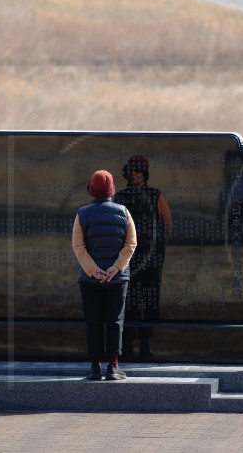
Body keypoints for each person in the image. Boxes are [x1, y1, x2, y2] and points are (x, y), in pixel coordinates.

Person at [72, 170, 137, 380]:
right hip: (117, 279)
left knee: (94, 322)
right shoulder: (124, 212)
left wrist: (93, 270)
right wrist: (115, 268)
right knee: (115, 321)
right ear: (112, 190)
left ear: (92, 190)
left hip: (89, 280)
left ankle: (95, 368)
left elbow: (78, 246)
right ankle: (113, 367)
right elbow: (131, 244)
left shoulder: (82, 213)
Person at [114, 155, 172, 358]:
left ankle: (146, 344)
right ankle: (127, 344)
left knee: (149, 299)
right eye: (132, 170)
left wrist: (158, 248)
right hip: (127, 256)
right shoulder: (120, 197)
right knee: (128, 300)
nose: (135, 174)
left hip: (152, 256)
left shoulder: (156, 195)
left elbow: (166, 223)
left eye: (138, 170)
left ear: (145, 173)